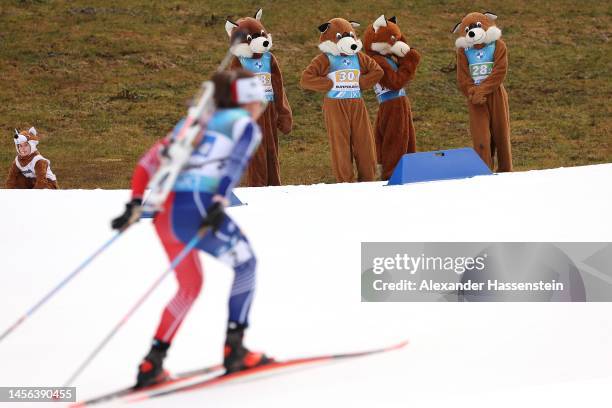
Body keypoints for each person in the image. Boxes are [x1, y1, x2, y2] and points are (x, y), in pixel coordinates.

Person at [111, 69, 270, 388]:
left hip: (164, 214)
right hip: (197, 207)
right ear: (249, 100)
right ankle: (235, 349)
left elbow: (149, 161)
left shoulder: (196, 120)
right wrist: (218, 200)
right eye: (259, 100)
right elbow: (235, 164)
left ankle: (151, 363)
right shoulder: (244, 125)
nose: (260, 107)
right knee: (246, 264)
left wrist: (134, 203)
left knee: (189, 286)